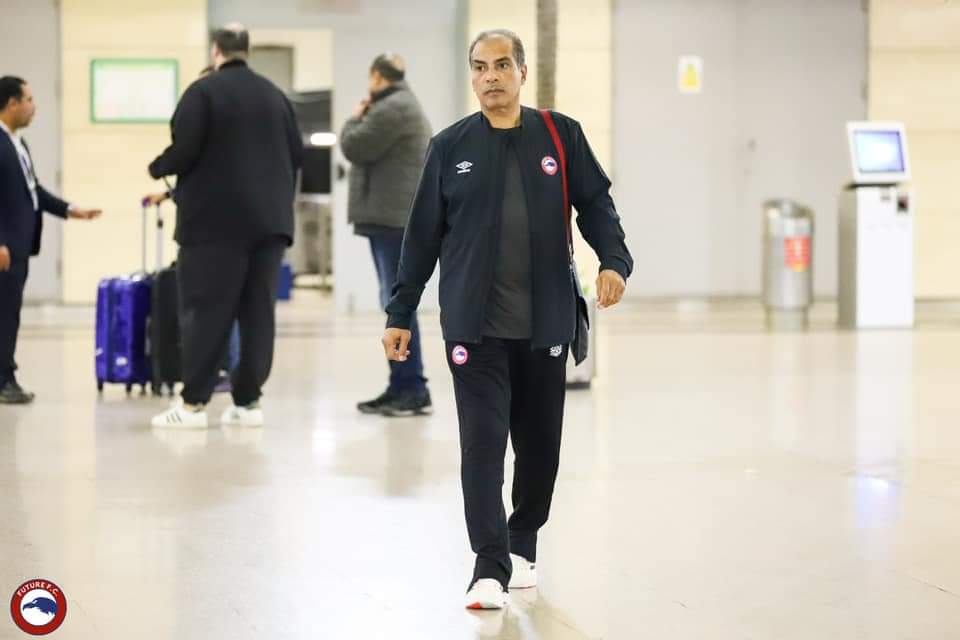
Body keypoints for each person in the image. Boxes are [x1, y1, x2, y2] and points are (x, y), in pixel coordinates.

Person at [381, 29, 633, 609]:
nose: (489, 76)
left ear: (522, 72)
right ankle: (488, 566)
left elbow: (596, 204)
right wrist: (400, 310)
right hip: (474, 328)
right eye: (479, 67)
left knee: (540, 450)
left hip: (545, 325)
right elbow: (421, 239)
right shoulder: (450, 147)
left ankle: (523, 543)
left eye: (500, 65)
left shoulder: (560, 136)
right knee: (483, 444)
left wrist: (613, 260)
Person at [147, 25, 302, 429]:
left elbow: (185, 149)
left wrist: (159, 166)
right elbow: (296, 156)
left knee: (206, 311)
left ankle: (193, 405)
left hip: (213, 227)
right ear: (247, 51)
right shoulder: (276, 96)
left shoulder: (202, 92)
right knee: (258, 314)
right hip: (270, 225)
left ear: (215, 50)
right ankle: (248, 402)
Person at [340, 53, 433, 417]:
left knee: (398, 304)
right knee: (396, 302)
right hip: (394, 219)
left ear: (377, 77)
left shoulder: (392, 108)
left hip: (394, 221)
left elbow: (354, 145)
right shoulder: (400, 104)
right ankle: (402, 385)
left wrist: (354, 117)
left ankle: (411, 388)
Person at [0, 76, 101, 404]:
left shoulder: (18, 143)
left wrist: (71, 210)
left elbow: (34, 192)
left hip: (19, 245)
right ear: (12, 103)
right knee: (4, 314)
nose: (35, 107)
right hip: (5, 247)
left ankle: (6, 375)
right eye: (29, 100)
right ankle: (3, 380)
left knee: (10, 313)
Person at [143, 65, 238, 395]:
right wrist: (168, 194)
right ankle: (226, 368)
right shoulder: (227, 128)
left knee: (216, 302)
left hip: (214, 233)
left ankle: (226, 369)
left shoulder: (214, 125)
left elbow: (189, 160)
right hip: (222, 227)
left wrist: (160, 168)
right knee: (224, 301)